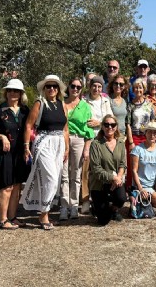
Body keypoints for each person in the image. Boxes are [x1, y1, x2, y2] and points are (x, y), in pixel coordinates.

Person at [22, 75, 69, 230]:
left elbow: (65, 128)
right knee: (51, 177)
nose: (52, 89)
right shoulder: (39, 103)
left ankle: (44, 210)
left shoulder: (62, 105)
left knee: (54, 180)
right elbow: (29, 125)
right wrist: (26, 146)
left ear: (58, 89)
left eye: (54, 86)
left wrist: (67, 147)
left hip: (59, 143)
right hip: (44, 142)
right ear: (44, 88)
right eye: (48, 86)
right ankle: (44, 214)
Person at [0, 79, 30, 229]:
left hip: (20, 153)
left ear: (21, 93)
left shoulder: (25, 111)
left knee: (17, 185)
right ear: (6, 92)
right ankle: (3, 220)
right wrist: (2, 136)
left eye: (16, 91)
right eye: (10, 90)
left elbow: (30, 130)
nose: (13, 93)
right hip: (3, 154)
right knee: (6, 186)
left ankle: (13, 217)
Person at [60, 77, 95, 220]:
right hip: (63, 139)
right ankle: (63, 206)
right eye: (73, 86)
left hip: (79, 139)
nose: (75, 89)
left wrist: (87, 148)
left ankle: (74, 206)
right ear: (68, 87)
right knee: (64, 174)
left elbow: (89, 130)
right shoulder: (61, 104)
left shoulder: (85, 106)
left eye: (78, 87)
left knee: (76, 173)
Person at [89, 115, 127, 225]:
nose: (109, 127)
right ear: (102, 127)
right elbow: (96, 169)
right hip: (99, 184)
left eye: (112, 125)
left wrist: (118, 178)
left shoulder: (120, 143)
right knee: (103, 221)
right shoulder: (95, 144)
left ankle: (113, 209)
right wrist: (113, 178)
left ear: (116, 127)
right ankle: (96, 207)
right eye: (106, 124)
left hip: (116, 181)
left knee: (121, 198)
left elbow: (123, 164)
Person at [83, 75, 113, 213]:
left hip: (102, 139)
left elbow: (110, 120)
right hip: (88, 138)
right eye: (94, 86)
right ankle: (84, 200)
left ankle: (99, 199)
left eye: (99, 86)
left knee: (100, 169)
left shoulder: (105, 101)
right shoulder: (83, 101)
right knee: (86, 170)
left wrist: (99, 123)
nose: (96, 88)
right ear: (90, 86)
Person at [125, 78, 156, 189]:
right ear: (133, 90)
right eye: (136, 87)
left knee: (145, 163)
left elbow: (153, 122)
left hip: (147, 137)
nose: (138, 89)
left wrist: (153, 138)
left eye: (140, 87)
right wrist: (130, 141)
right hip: (134, 137)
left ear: (144, 89)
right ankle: (131, 188)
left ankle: (146, 187)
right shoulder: (130, 105)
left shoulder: (149, 104)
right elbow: (128, 124)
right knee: (132, 164)